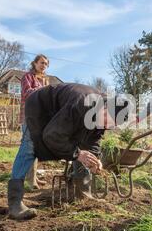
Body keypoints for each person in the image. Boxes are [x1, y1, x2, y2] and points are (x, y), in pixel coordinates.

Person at [7, 83, 127, 220]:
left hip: (63, 115)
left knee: (83, 151)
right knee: (30, 147)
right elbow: (52, 135)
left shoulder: (104, 118)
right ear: (104, 108)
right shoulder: (81, 103)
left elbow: (93, 141)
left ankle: (83, 195)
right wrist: (77, 154)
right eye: (107, 121)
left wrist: (95, 159)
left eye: (111, 125)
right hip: (40, 107)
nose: (107, 125)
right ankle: (15, 204)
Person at [19, 54, 49, 190]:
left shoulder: (44, 80)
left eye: (46, 64)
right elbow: (26, 93)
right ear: (35, 63)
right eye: (42, 63)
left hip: (39, 118)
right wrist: (43, 90)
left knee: (36, 148)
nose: (44, 66)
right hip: (28, 117)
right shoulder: (28, 77)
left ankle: (33, 177)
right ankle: (29, 181)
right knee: (28, 148)